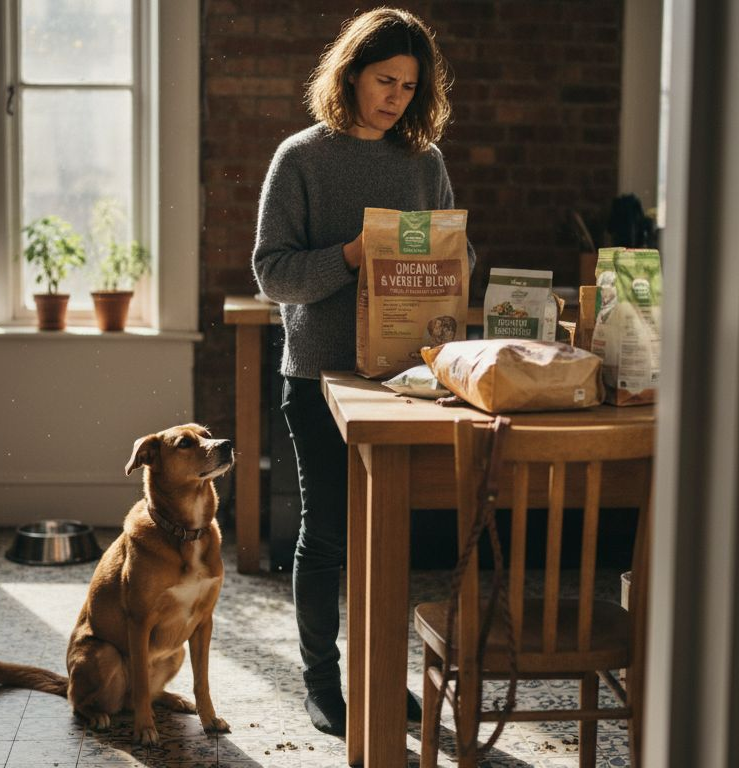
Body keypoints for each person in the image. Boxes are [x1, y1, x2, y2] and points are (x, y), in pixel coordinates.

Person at [250, 7, 476, 736]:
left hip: (406, 380)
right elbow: (272, 275)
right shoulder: (301, 158)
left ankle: (377, 672)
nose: (396, 98)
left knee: (389, 537)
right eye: (385, 80)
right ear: (349, 74)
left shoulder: (424, 161)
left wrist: (452, 265)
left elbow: (456, 262)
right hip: (319, 377)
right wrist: (353, 255)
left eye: (410, 87)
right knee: (329, 535)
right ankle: (322, 684)